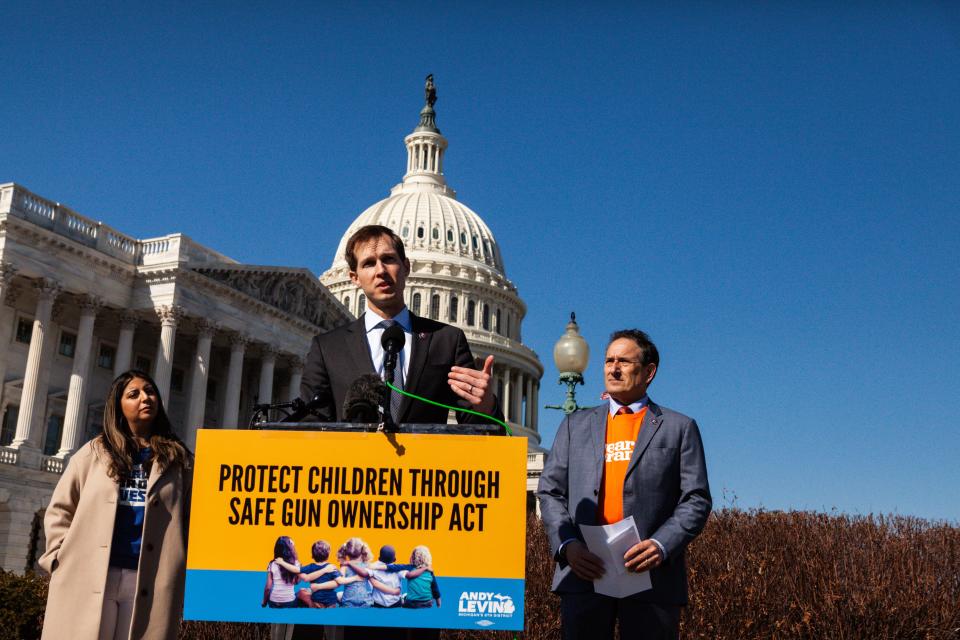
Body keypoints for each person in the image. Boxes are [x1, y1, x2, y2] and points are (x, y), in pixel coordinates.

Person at [537, 330, 712, 640]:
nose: (613, 368)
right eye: (608, 360)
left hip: (650, 576)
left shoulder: (679, 428)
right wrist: (567, 545)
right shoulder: (574, 426)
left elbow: (696, 499)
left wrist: (660, 545)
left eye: (624, 361)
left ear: (648, 372)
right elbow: (550, 491)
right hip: (583, 572)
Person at [39, 369, 193, 640]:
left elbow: (194, 517)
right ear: (118, 406)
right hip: (91, 572)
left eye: (150, 391)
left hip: (150, 577)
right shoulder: (93, 453)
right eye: (134, 394)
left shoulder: (179, 461)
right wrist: (57, 558)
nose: (146, 398)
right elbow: (61, 509)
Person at [300, 224, 501, 429]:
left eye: (388, 259)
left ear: (405, 267)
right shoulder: (328, 348)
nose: (381, 271)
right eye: (369, 263)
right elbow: (309, 429)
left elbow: (480, 434)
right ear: (355, 278)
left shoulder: (446, 340)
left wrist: (486, 406)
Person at [296, 540, 342, 608]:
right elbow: (339, 582)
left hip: (317, 600)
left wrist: (297, 566)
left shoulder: (310, 567)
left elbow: (298, 571)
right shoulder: (331, 567)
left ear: (313, 555)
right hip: (331, 601)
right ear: (328, 554)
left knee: (300, 592)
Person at [263, 536, 301, 608]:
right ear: (291, 548)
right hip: (289, 602)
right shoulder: (296, 564)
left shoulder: (272, 564)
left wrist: (264, 602)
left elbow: (268, 588)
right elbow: (296, 582)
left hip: (273, 602)